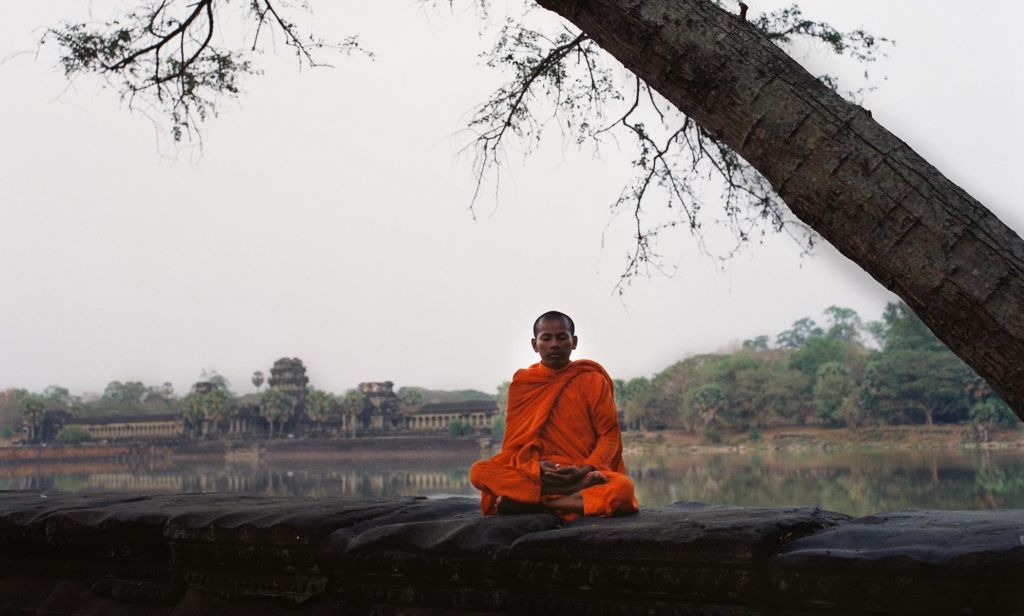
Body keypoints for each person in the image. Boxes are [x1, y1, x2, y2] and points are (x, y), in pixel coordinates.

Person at [470, 311, 639, 519]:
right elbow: (513, 446)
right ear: (534, 344)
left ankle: (539, 503)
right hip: (538, 473)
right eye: (546, 338)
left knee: (623, 489)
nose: (554, 344)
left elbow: (610, 435)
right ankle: (566, 498)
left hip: (582, 470)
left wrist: (585, 468)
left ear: (574, 342)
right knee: (479, 471)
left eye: (561, 337)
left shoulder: (592, 380)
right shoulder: (523, 384)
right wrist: (534, 468)